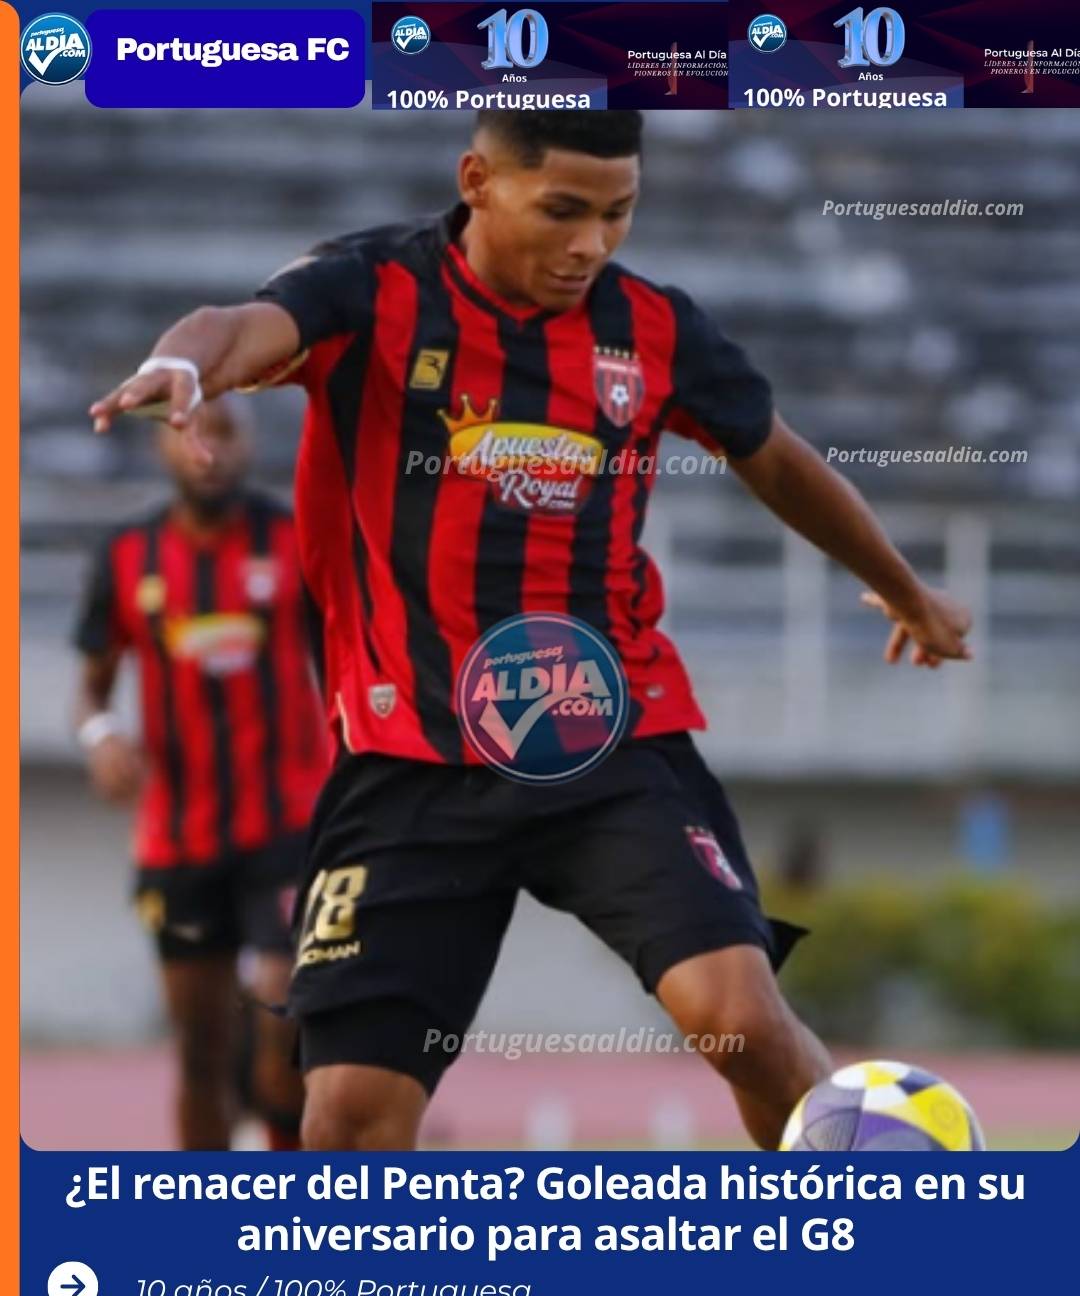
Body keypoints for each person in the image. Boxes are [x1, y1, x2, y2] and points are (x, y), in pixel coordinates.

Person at [89, 112, 972, 1151]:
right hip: (408, 762)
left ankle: (859, 1251)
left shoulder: (655, 330)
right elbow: (234, 327)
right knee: (347, 1117)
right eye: (563, 210)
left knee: (741, 1024)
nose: (591, 243)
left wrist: (904, 587)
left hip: (605, 738)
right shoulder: (372, 288)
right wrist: (186, 369)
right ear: (478, 181)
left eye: (618, 213)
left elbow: (772, 456)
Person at [73, 395, 329, 1149]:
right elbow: (91, 687)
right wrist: (101, 735)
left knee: (285, 1016)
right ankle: (203, 1219)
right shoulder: (126, 556)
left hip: (286, 822)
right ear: (163, 445)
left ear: (249, 442)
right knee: (199, 1051)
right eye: (192, 432)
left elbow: (348, 657)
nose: (207, 449)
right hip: (177, 840)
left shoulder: (293, 539)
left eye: (225, 430)